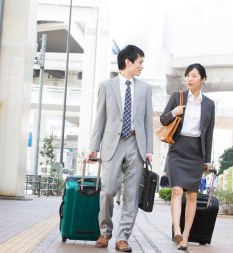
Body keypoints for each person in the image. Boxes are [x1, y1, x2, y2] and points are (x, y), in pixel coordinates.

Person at [87, 45, 153, 252]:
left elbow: (147, 122)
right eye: (140, 62)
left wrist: (149, 149)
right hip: (111, 145)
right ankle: (105, 232)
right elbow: (101, 118)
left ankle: (123, 237)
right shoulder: (106, 86)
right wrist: (93, 147)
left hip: (136, 144)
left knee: (132, 194)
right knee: (107, 190)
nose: (142, 66)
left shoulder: (145, 89)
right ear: (128, 62)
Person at [160, 63, 215, 250]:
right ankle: (176, 230)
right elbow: (163, 119)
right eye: (187, 76)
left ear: (203, 79)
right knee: (176, 190)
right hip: (178, 148)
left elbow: (209, 133)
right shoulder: (178, 97)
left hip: (196, 152)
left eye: (194, 76)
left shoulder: (209, 104)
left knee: (192, 195)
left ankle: (185, 236)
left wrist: (207, 160)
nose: (189, 79)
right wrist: (174, 112)